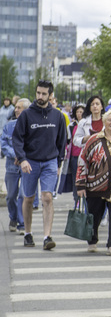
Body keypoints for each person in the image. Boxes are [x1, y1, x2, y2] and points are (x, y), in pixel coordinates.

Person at [12, 80, 67, 250]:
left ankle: (47, 236)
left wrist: (58, 163)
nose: (40, 97)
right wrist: (22, 159)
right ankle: (28, 233)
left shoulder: (57, 116)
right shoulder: (27, 115)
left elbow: (62, 141)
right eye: (38, 93)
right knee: (28, 198)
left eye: (44, 94)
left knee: (47, 197)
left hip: (50, 162)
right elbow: (17, 139)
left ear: (50, 95)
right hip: (30, 162)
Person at [76, 108, 111, 256]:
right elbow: (82, 161)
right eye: (110, 120)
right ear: (104, 122)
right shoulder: (94, 140)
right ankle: (92, 241)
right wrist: (80, 184)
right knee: (94, 215)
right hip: (95, 187)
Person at [2, 98, 30, 232]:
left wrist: (23, 157)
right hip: (12, 165)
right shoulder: (9, 126)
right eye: (16, 107)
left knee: (23, 195)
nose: (16, 109)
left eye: (19, 107)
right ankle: (13, 217)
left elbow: (34, 145)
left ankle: (21, 223)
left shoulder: (32, 126)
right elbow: (3, 145)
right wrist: (17, 155)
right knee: (11, 195)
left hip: (27, 165)